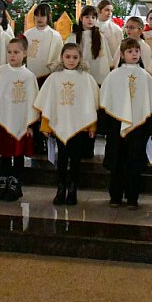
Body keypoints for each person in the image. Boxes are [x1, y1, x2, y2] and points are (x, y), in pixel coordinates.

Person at [100, 38, 152, 210]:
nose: (134, 54)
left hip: (139, 127)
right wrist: (105, 127)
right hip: (116, 125)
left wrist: (150, 128)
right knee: (117, 161)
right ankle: (116, 196)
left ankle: (133, 197)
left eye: (136, 51)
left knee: (134, 162)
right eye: (129, 51)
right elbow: (106, 101)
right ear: (121, 54)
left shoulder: (146, 76)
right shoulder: (113, 76)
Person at [34, 43, 99, 205]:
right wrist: (46, 126)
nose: (71, 60)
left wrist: (91, 127)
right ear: (61, 57)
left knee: (75, 159)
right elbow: (48, 104)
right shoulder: (54, 78)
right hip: (60, 124)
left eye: (75, 57)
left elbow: (91, 105)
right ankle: (60, 189)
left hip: (79, 127)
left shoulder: (86, 78)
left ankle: (73, 189)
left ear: (80, 58)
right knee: (62, 159)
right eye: (67, 57)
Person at [0, 37, 39, 202]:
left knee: (18, 152)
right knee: (5, 152)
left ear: (25, 53)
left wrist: (30, 124)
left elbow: (32, 102)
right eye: (9, 52)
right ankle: (4, 180)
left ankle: (16, 182)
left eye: (16, 52)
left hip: (21, 120)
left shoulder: (29, 76)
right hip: (2, 119)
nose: (12, 56)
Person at [24, 3, 63, 153]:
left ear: (48, 17)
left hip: (46, 78)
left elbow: (57, 58)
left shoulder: (54, 35)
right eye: (37, 15)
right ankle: (35, 141)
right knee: (32, 108)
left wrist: (51, 73)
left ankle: (47, 141)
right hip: (30, 77)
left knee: (45, 110)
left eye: (43, 15)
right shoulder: (28, 34)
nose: (40, 18)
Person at [66, 5, 112, 85]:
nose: (90, 20)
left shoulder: (100, 36)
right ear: (81, 18)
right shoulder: (73, 36)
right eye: (87, 17)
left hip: (96, 71)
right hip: (78, 72)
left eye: (93, 17)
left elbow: (105, 58)